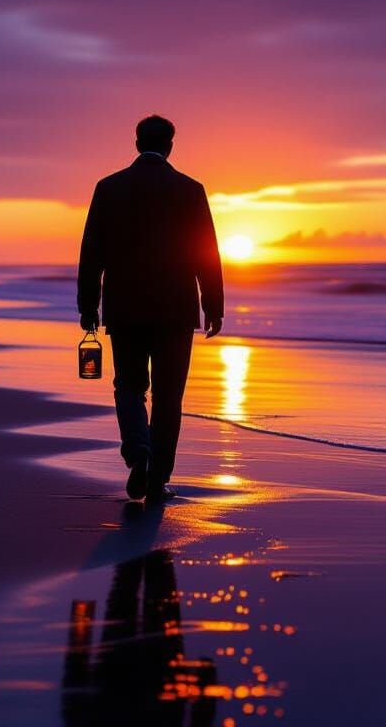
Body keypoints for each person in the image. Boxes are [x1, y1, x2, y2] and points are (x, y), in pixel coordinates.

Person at [77, 114, 224, 502]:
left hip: (125, 308)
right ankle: (157, 478)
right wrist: (214, 304)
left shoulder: (108, 188)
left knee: (128, 386)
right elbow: (206, 252)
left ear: (137, 143)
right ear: (171, 145)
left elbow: (92, 252)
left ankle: (137, 449)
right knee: (168, 396)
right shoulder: (190, 190)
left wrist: (87, 305)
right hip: (175, 309)